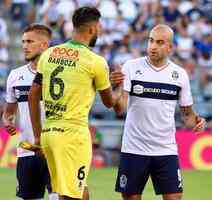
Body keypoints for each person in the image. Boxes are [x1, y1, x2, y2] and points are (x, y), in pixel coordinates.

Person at [28, 7, 123, 200]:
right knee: (72, 195)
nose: (100, 30)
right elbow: (109, 103)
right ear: (92, 29)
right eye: (99, 27)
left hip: (49, 133)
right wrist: (119, 87)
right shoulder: (95, 61)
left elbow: (32, 95)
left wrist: (38, 137)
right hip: (73, 136)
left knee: (74, 191)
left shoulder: (49, 53)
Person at [111, 24, 206, 200]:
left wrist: (197, 120)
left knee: (174, 197)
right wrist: (115, 89)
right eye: (151, 41)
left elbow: (187, 114)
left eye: (160, 42)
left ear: (170, 47)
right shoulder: (131, 67)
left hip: (165, 149)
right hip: (134, 148)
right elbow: (120, 108)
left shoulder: (179, 74)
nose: (153, 46)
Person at [2, 24, 58, 200]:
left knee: (58, 196)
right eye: (23, 42)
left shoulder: (60, 74)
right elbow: (10, 110)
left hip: (55, 148)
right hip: (28, 150)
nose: (24, 46)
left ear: (44, 45)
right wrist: (8, 120)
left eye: (30, 41)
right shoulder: (15, 75)